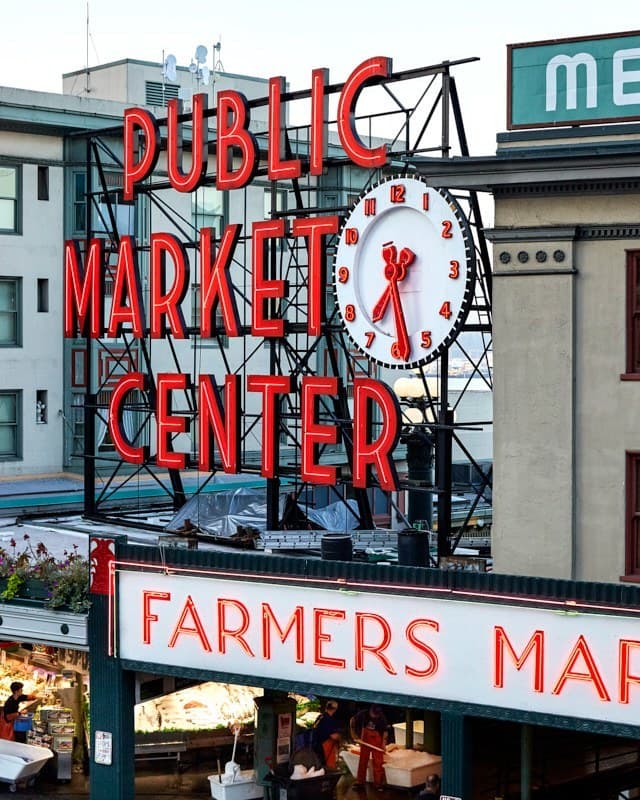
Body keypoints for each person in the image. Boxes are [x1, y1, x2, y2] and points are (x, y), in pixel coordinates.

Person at [349, 704, 388, 791]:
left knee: (378, 762)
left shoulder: (382, 718)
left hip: (377, 740)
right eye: (374, 714)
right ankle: (360, 782)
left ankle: (378, 784)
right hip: (365, 739)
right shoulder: (363, 714)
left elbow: (385, 732)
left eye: (377, 714)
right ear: (370, 710)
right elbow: (352, 720)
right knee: (363, 760)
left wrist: (383, 744)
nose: (375, 715)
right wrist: (353, 732)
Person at [312, 700, 341, 769]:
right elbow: (333, 736)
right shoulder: (328, 720)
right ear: (334, 709)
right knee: (326, 766)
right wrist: (339, 737)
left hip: (316, 744)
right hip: (324, 746)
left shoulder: (320, 716)